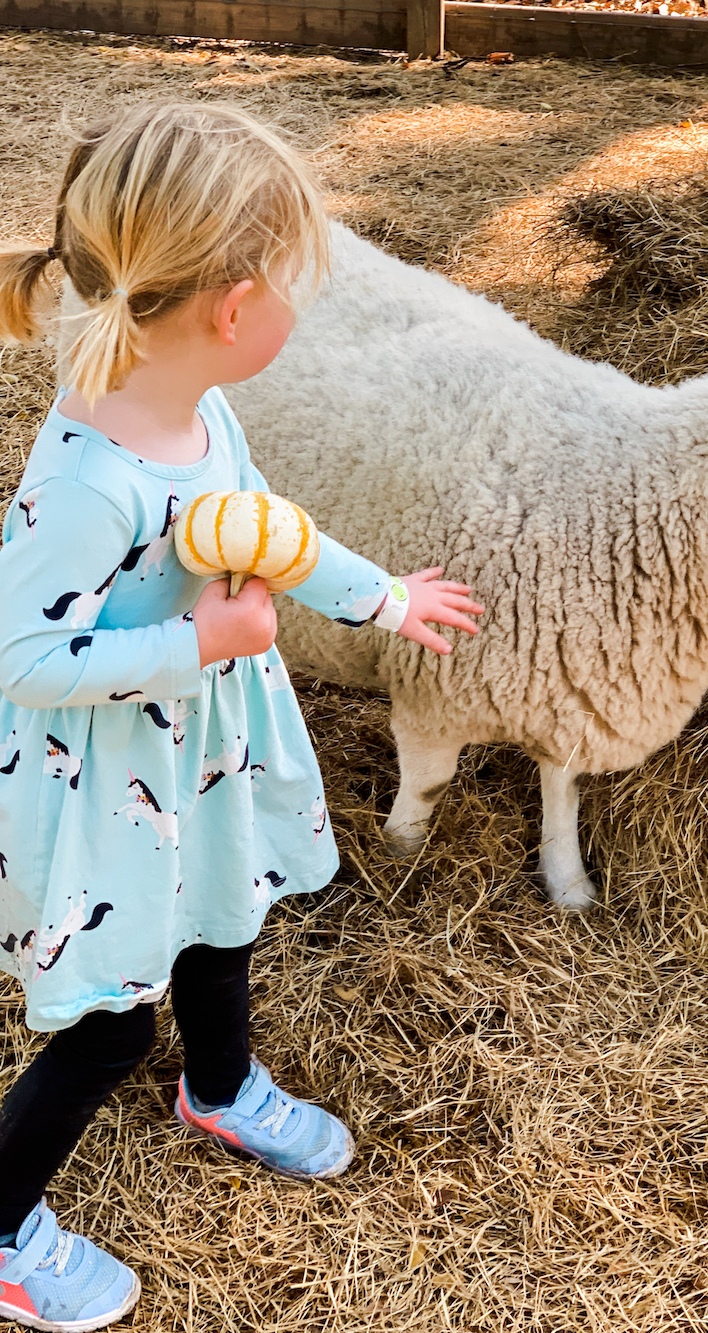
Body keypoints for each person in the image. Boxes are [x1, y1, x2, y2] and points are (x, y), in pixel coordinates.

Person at [0, 101, 483, 1331]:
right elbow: (25, 655)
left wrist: (379, 597)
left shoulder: (201, 412)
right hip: (108, 770)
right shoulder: (90, 475)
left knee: (223, 914)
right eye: (292, 290)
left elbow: (273, 531)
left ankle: (217, 1085)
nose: (294, 313)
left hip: (198, 747)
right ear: (231, 309)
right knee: (109, 1023)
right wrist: (201, 639)